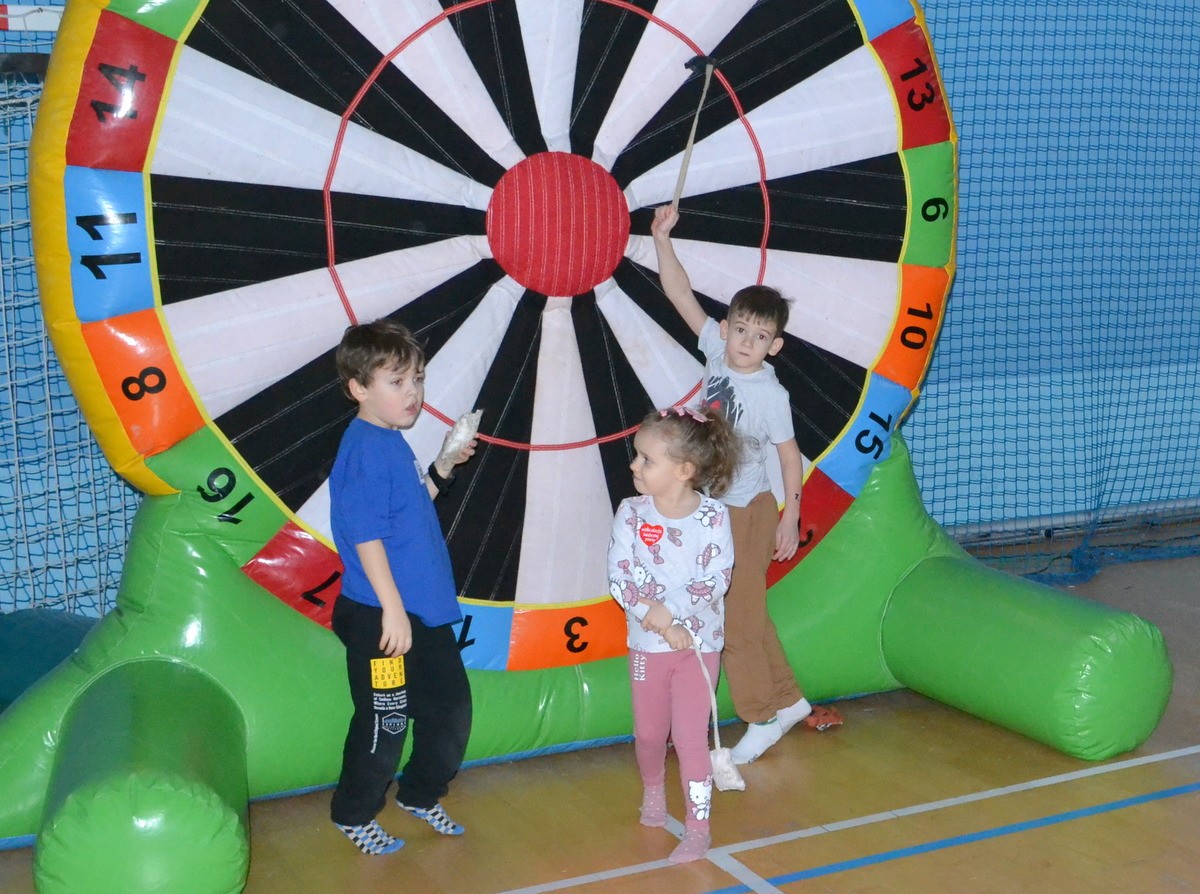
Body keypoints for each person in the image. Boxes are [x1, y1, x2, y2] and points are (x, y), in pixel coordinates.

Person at [651, 204, 840, 766]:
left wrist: (789, 516)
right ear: (727, 328)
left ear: (774, 346)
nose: (745, 342)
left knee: (736, 623)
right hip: (715, 509)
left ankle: (760, 719)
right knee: (749, 611)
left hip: (748, 513)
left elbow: (789, 455)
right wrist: (662, 239)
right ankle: (791, 702)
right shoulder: (716, 352)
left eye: (760, 337)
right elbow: (679, 293)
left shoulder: (770, 396)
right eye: (740, 330)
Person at [327, 318, 476, 855]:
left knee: (450, 711)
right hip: (382, 618)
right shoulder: (365, 447)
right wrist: (391, 609)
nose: (412, 392)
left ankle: (419, 794)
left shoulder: (389, 442)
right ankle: (352, 813)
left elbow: (406, 512)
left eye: (417, 379)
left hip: (419, 613)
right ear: (358, 389)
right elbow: (365, 535)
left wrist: (442, 468)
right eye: (396, 381)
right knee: (386, 721)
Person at [607, 405, 738, 864]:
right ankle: (653, 791)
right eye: (637, 455)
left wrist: (676, 613)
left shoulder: (713, 518)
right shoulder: (631, 513)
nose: (634, 465)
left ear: (684, 471)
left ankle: (699, 829)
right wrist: (661, 620)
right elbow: (620, 578)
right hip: (648, 646)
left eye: (647, 459)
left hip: (700, 649)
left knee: (689, 739)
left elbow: (716, 577)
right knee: (648, 735)